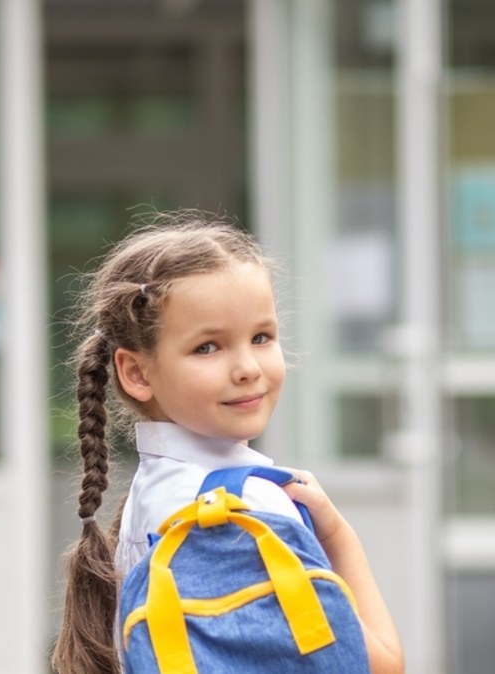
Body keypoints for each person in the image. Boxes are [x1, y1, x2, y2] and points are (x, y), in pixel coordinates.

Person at [52, 212, 405, 674]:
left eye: (261, 337)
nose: (247, 368)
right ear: (136, 372)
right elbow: (380, 665)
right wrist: (338, 535)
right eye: (208, 347)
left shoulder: (154, 492)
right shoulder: (241, 511)